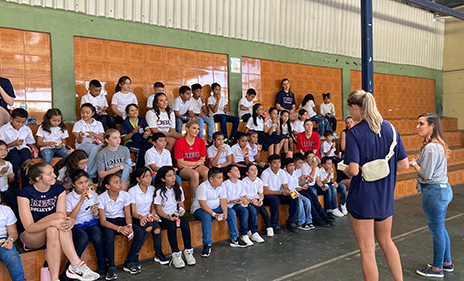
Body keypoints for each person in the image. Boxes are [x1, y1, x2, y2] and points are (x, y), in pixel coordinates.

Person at [343, 89, 408, 281]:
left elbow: (353, 170)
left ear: (355, 107)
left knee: (368, 250)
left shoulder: (354, 133)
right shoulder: (391, 129)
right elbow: (403, 164)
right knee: (387, 242)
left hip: (363, 196)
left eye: (350, 109)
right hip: (385, 196)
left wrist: (346, 170)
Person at [17, 160, 100, 281]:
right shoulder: (24, 194)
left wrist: (71, 221)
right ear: (38, 178)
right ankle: (76, 265)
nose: (54, 175)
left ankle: (54, 279)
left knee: (53, 230)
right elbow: (29, 227)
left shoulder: (58, 189)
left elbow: (64, 218)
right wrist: (53, 222)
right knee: (57, 219)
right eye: (49, 173)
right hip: (32, 236)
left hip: (54, 231)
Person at [410, 113, 454, 278]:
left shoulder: (431, 147)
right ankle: (446, 262)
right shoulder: (436, 145)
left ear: (431, 126)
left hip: (434, 192)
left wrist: (414, 164)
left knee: (437, 231)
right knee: (440, 228)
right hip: (442, 190)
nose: (418, 127)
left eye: (421, 124)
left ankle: (437, 268)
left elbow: (426, 174)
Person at [191, 167, 247, 258]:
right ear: (211, 179)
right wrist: (213, 214)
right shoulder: (202, 187)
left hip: (216, 207)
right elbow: (203, 205)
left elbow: (223, 201)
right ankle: (207, 244)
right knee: (206, 217)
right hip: (200, 209)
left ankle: (235, 238)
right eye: (219, 178)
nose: (222, 180)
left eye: (221, 177)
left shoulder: (221, 187)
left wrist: (224, 211)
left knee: (231, 212)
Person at [65, 170, 106, 279]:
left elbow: (97, 215)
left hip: (91, 222)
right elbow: (70, 218)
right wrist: (81, 201)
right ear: (73, 184)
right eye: (80, 183)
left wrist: (95, 211)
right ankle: (70, 269)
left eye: (86, 182)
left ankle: (102, 266)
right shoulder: (69, 198)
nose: (84, 186)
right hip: (76, 223)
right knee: (83, 238)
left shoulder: (93, 194)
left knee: (97, 236)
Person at [154, 166, 196, 268]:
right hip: (164, 217)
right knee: (171, 226)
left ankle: (188, 251)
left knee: (185, 223)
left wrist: (181, 210)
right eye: (169, 176)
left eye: (173, 175)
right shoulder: (159, 192)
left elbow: (181, 204)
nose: (173, 178)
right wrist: (168, 217)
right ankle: (176, 254)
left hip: (175, 214)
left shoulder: (178, 188)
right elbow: (159, 210)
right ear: (163, 179)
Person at [127, 168, 165, 273]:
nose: (149, 179)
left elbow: (152, 207)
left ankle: (158, 253)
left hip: (148, 216)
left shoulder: (152, 189)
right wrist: (140, 217)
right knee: (148, 227)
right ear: (138, 179)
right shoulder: (132, 191)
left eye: (149, 176)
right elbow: (133, 211)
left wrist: (154, 215)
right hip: (137, 217)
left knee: (157, 229)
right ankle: (135, 254)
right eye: (145, 177)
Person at [97, 174, 134, 280]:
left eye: (120, 182)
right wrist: (119, 229)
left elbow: (127, 215)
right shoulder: (101, 198)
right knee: (109, 237)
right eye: (116, 182)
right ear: (107, 186)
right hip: (108, 221)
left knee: (138, 231)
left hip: (121, 219)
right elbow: (103, 221)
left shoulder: (125, 195)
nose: (120, 184)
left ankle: (131, 261)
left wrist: (129, 226)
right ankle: (111, 267)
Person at [223, 164, 264, 246]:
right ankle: (244, 234)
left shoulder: (240, 183)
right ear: (229, 174)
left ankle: (254, 232)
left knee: (252, 209)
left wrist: (245, 200)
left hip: (239, 202)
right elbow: (223, 198)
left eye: (238, 170)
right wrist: (232, 200)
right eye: (235, 170)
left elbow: (243, 195)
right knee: (244, 211)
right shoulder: (225, 184)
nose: (238, 171)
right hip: (231, 204)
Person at [0, 108, 36, 191]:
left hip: (23, 149)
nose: (20, 124)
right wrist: (13, 144)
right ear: (11, 119)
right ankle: (14, 186)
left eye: (23, 122)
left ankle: (26, 185)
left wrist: (34, 148)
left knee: (26, 159)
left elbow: (30, 142)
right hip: (9, 149)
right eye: (18, 121)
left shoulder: (26, 129)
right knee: (15, 159)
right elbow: (1, 145)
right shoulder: (3, 129)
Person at [261, 154, 299, 234]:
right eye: (274, 162)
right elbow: (265, 191)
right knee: (275, 199)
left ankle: (291, 222)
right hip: (269, 195)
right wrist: (281, 192)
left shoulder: (282, 172)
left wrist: (289, 192)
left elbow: (285, 186)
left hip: (278, 193)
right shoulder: (265, 173)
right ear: (269, 164)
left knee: (294, 197)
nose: (277, 165)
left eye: (279, 162)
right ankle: (275, 224)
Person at [174, 121, 209, 204]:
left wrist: (191, 164)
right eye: (194, 128)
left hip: (192, 166)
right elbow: (180, 162)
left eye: (198, 129)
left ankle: (206, 199)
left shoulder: (201, 141)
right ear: (187, 129)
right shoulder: (179, 142)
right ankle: (195, 202)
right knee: (194, 174)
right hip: (182, 169)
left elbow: (202, 160)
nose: (196, 131)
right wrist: (196, 163)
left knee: (207, 172)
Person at [299, 151, 332, 227]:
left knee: (327, 189)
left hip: (313, 185)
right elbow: (309, 179)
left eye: (313, 157)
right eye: (310, 157)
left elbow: (318, 180)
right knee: (312, 196)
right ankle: (317, 218)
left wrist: (322, 187)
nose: (312, 159)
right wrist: (313, 168)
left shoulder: (316, 167)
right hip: (305, 186)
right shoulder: (304, 166)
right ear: (306, 159)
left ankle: (325, 215)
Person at [72, 103, 104, 180]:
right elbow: (79, 141)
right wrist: (80, 136)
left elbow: (102, 138)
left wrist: (94, 134)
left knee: (102, 149)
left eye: (87, 113)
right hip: (83, 146)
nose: (85, 115)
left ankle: (102, 175)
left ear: (92, 113)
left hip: (96, 145)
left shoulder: (98, 124)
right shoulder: (78, 124)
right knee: (96, 149)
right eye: (82, 113)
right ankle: (90, 174)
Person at [0, 192, 26, 281]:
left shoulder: (6, 210)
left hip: (3, 241)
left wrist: (10, 240)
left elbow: (13, 232)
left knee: (11, 256)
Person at [242, 163, 273, 237]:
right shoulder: (244, 181)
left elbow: (261, 193)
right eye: (252, 170)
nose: (254, 171)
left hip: (256, 199)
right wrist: (252, 201)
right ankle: (251, 230)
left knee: (263, 209)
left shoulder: (259, 181)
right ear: (247, 173)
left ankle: (269, 227)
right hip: (248, 200)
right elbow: (243, 196)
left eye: (255, 169)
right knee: (255, 210)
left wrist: (261, 200)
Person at [284, 158, 314, 231]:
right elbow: (286, 189)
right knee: (299, 202)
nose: (292, 167)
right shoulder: (284, 174)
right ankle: (301, 222)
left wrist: (303, 187)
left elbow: (295, 187)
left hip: (295, 192)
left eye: (293, 165)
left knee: (307, 201)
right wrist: (295, 194)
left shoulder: (294, 174)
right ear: (285, 167)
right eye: (290, 165)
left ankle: (309, 221)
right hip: (288, 194)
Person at [121, 103, 152, 170]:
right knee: (141, 150)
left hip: (142, 140)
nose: (135, 112)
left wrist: (147, 132)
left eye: (136, 110)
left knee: (151, 148)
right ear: (127, 114)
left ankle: (149, 168)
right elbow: (124, 139)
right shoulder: (125, 123)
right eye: (132, 110)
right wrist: (133, 132)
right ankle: (138, 170)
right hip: (130, 142)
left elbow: (147, 129)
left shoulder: (142, 120)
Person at [0, 140, 17, 221]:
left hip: (5, 190)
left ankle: (19, 229)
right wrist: (1, 174)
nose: (4, 152)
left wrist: (11, 177)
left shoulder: (8, 164)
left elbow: (10, 181)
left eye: (5, 149)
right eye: (0, 150)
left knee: (17, 205)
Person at [337, 116, 355, 189]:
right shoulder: (344, 132)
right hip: (347, 154)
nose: (349, 124)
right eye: (347, 123)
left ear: (354, 122)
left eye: (351, 122)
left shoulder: (357, 132)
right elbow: (343, 147)